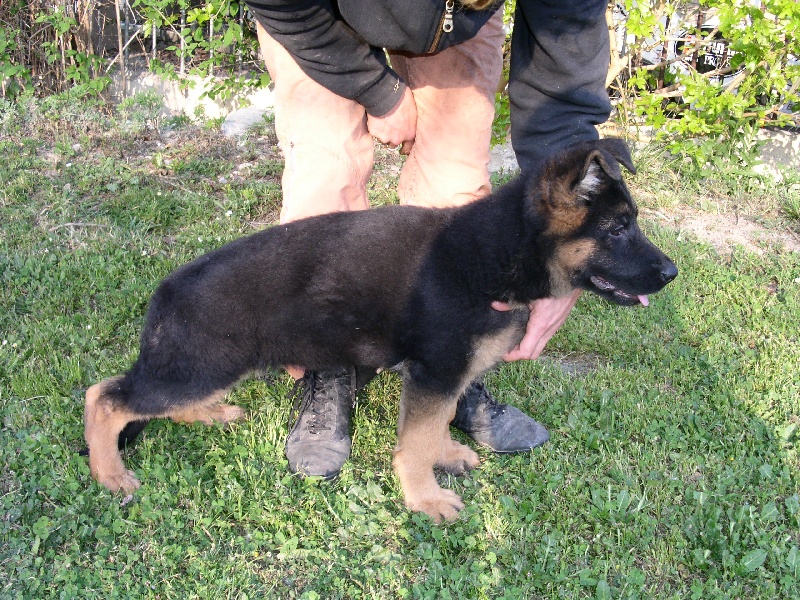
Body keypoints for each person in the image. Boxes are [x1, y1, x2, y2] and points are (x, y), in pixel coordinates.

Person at [243, 0, 612, 478]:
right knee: (323, 178)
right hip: (315, 16)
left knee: (457, 192)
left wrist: (571, 264)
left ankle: (452, 371)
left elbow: (563, 77)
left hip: (450, 31)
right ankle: (327, 365)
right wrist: (379, 92)